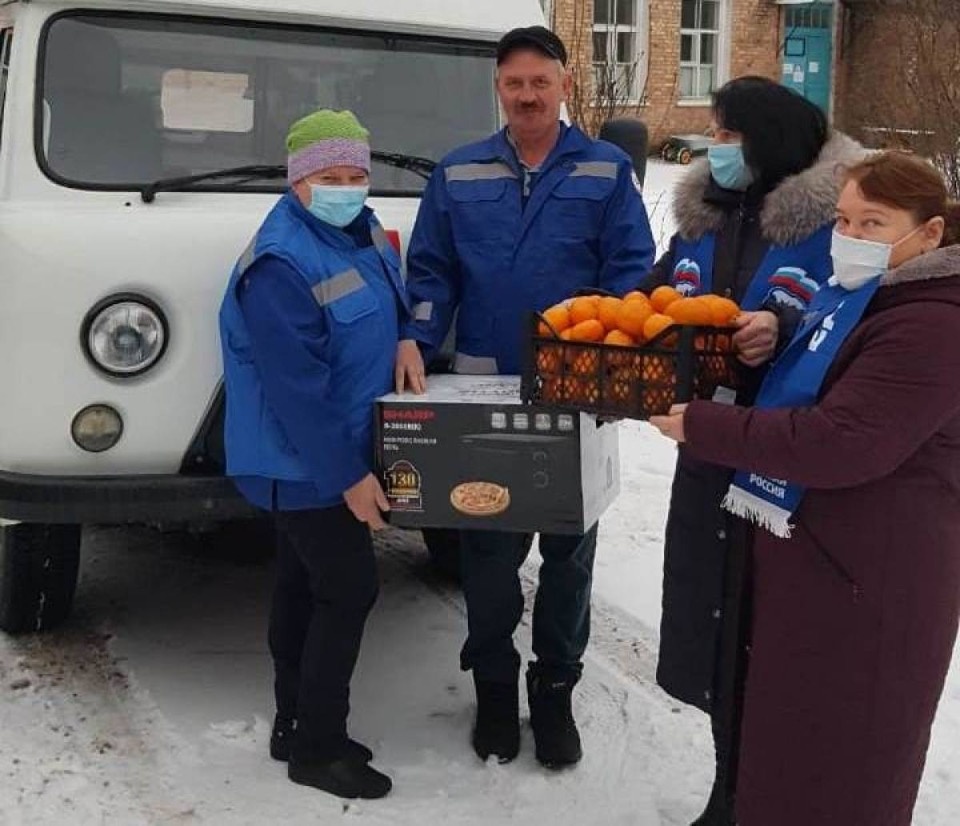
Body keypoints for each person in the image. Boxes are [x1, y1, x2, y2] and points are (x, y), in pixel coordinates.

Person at [649, 150, 960, 826]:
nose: (850, 237)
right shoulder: (872, 296)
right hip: (822, 579)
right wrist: (781, 328)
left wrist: (707, 426)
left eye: (873, 223)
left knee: (841, 775)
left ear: (930, 233)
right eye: (843, 220)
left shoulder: (934, 324)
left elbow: (839, 441)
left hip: (870, 593)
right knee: (790, 763)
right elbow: (833, 369)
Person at [395, 26, 656, 767]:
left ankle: (555, 694)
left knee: (570, 553)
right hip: (484, 389)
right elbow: (432, 271)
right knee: (486, 552)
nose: (528, 96)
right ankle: (495, 693)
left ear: (566, 85)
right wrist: (415, 335)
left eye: (542, 82)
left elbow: (631, 271)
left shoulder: (605, 171)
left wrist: (606, 356)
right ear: (499, 89)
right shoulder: (459, 171)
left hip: (577, 394)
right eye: (515, 84)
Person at [638, 76, 866, 825]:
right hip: (707, 451)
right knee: (714, 628)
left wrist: (781, 329)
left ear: (769, 139)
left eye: (730, 133)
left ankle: (763, 795)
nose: (718, 148)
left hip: (784, 472)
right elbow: (658, 291)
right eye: (717, 133)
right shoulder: (707, 216)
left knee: (770, 642)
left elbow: (850, 322)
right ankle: (728, 790)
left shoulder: (839, 222)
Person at [218, 110, 407, 800]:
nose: (347, 186)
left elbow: (388, 301)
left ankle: (294, 721)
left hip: (331, 452)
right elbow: (297, 391)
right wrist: (350, 477)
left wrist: (408, 336)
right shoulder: (280, 263)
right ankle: (318, 747)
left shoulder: (358, 235)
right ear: (299, 181)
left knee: (301, 586)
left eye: (356, 174)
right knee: (348, 588)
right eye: (330, 176)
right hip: (301, 460)